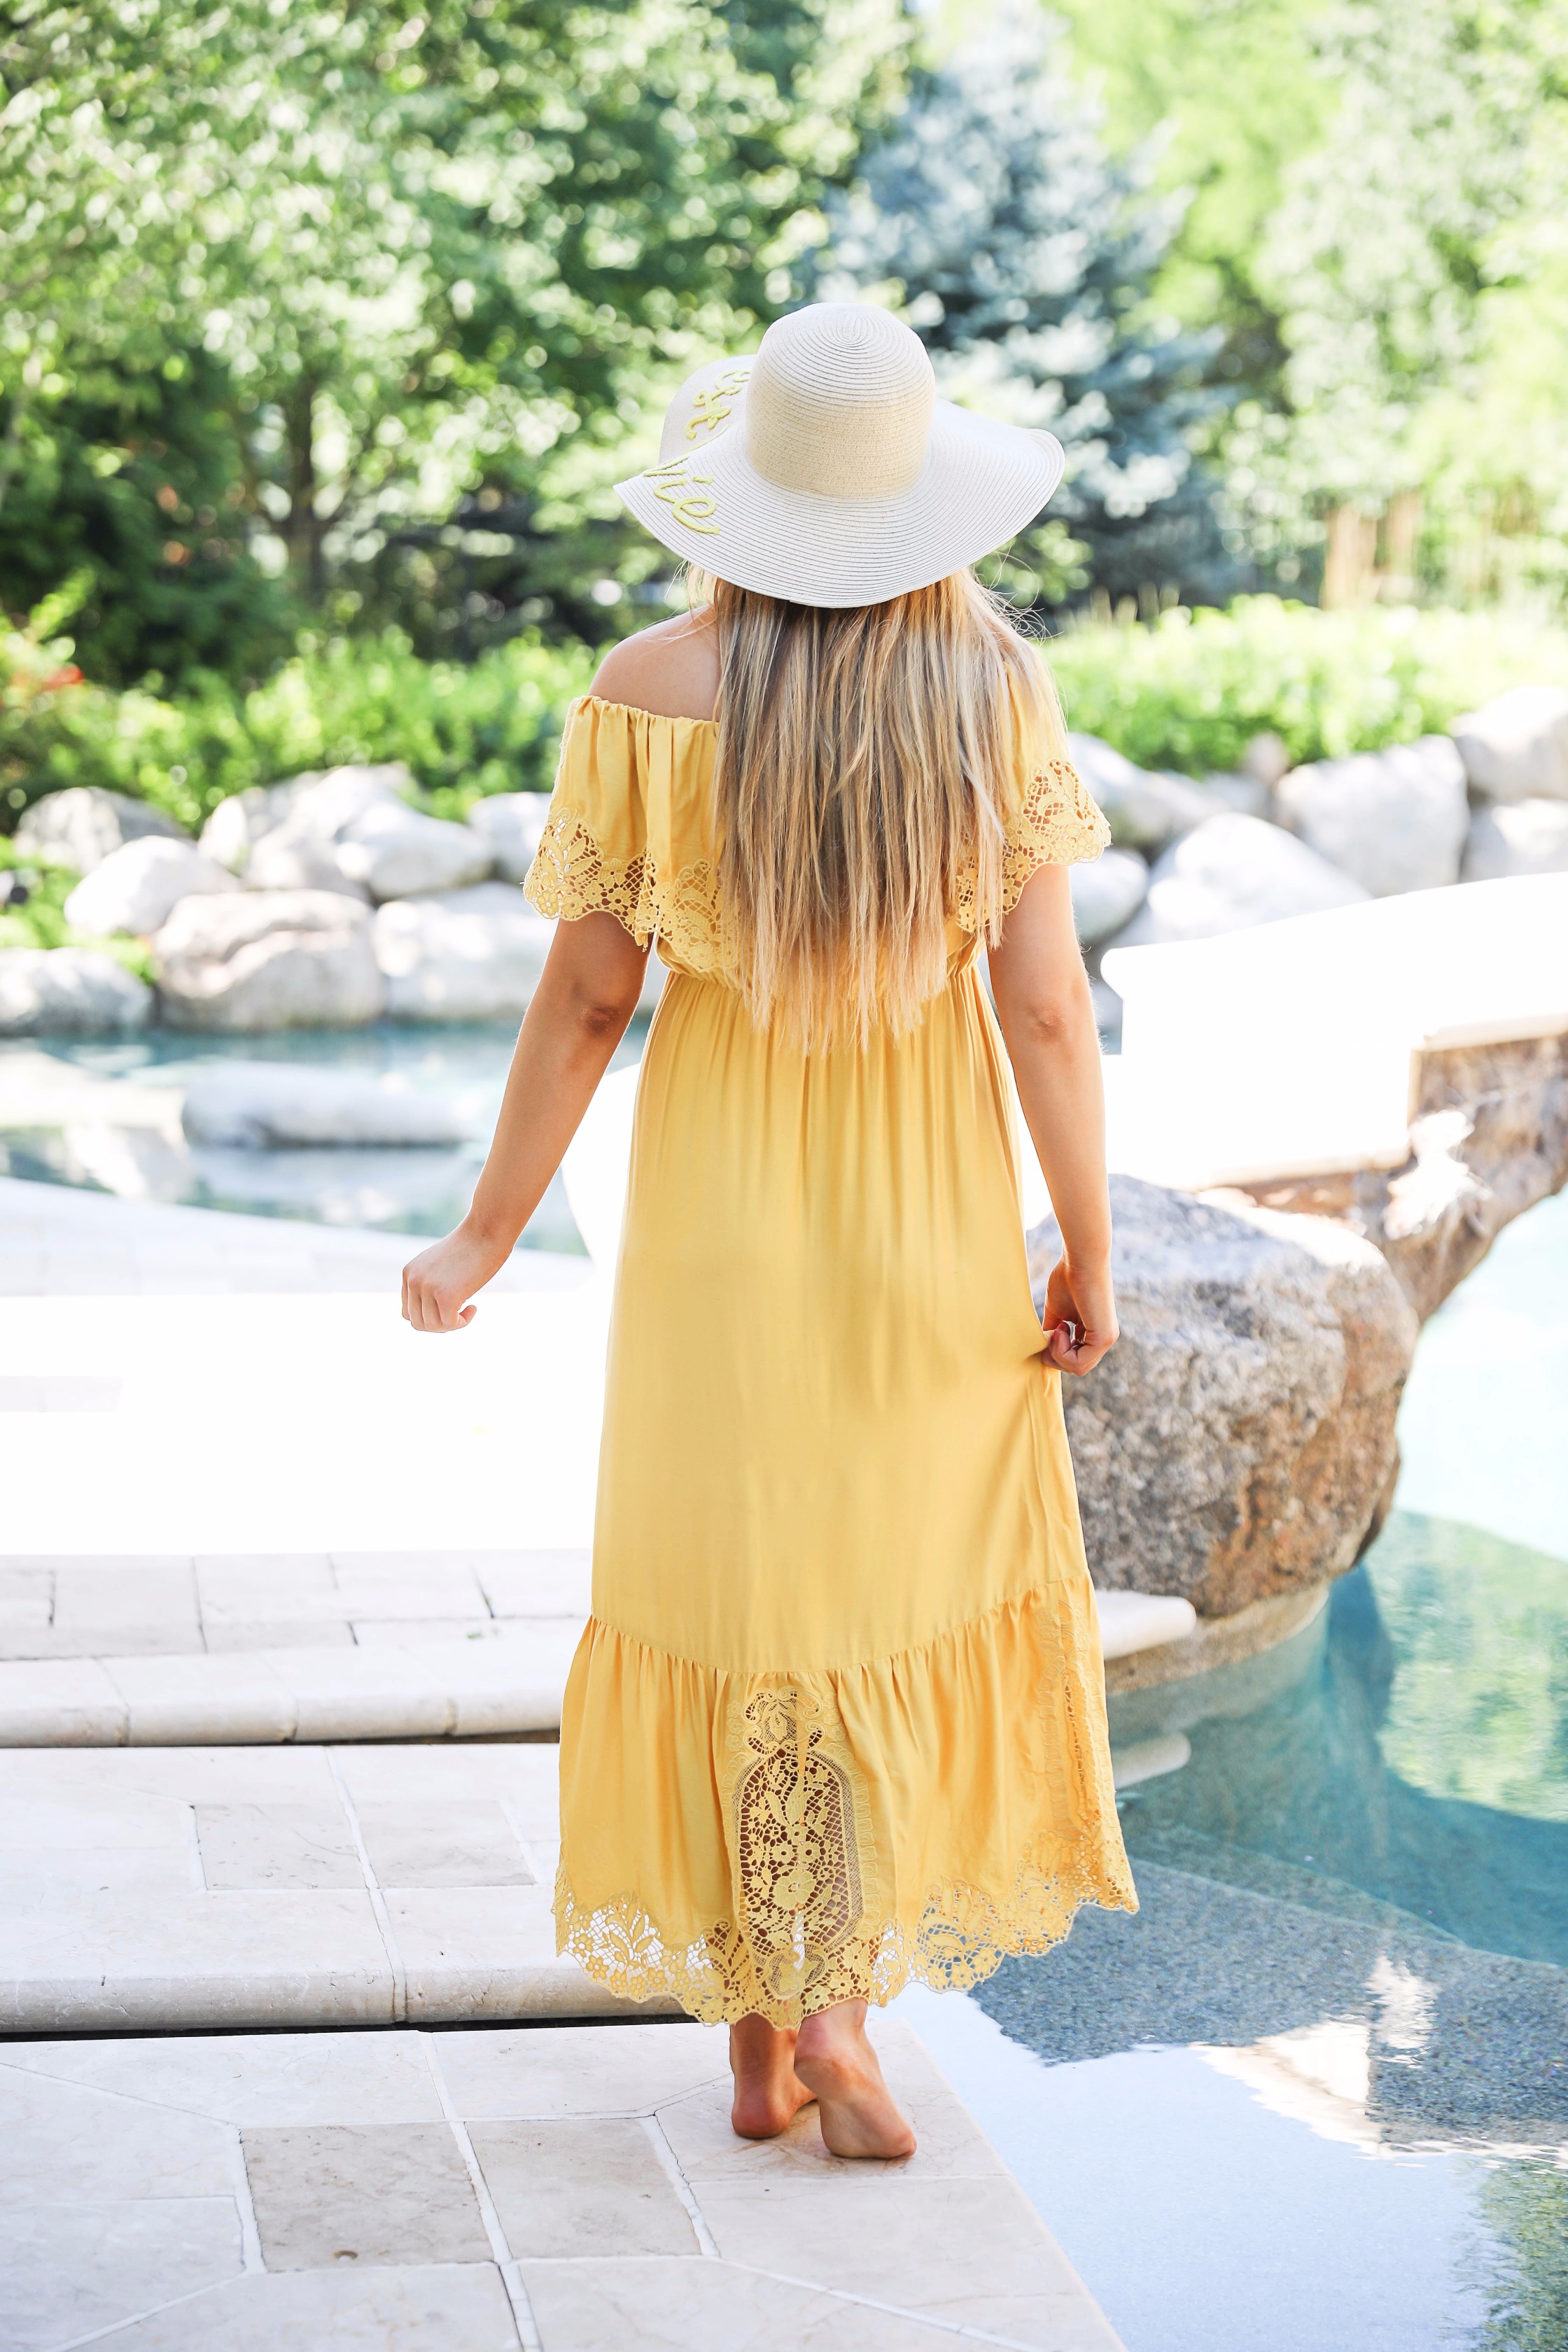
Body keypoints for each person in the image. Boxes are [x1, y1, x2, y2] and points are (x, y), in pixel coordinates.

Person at [403, 304, 1136, 2160]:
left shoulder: (646, 693)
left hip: (718, 1218)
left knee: (735, 1602)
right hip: (927, 1217)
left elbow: (584, 1004)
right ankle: (839, 2014)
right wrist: (1089, 1250)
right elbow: (1048, 1010)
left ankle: (757, 2032)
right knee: (885, 1591)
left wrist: (485, 1237)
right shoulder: (991, 693)